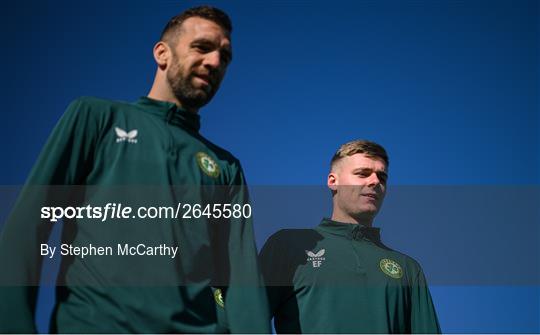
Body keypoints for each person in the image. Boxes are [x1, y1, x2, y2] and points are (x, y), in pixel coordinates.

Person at [0, 6, 269, 333]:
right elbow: (28, 229)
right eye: (202, 47)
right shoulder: (96, 117)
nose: (214, 62)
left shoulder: (226, 167)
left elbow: (242, 285)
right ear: (162, 54)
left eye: (224, 57)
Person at [259, 140, 440, 333]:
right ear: (333, 181)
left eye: (382, 177)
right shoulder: (288, 246)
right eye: (362, 173)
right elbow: (239, 320)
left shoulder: (408, 270)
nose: (375, 182)